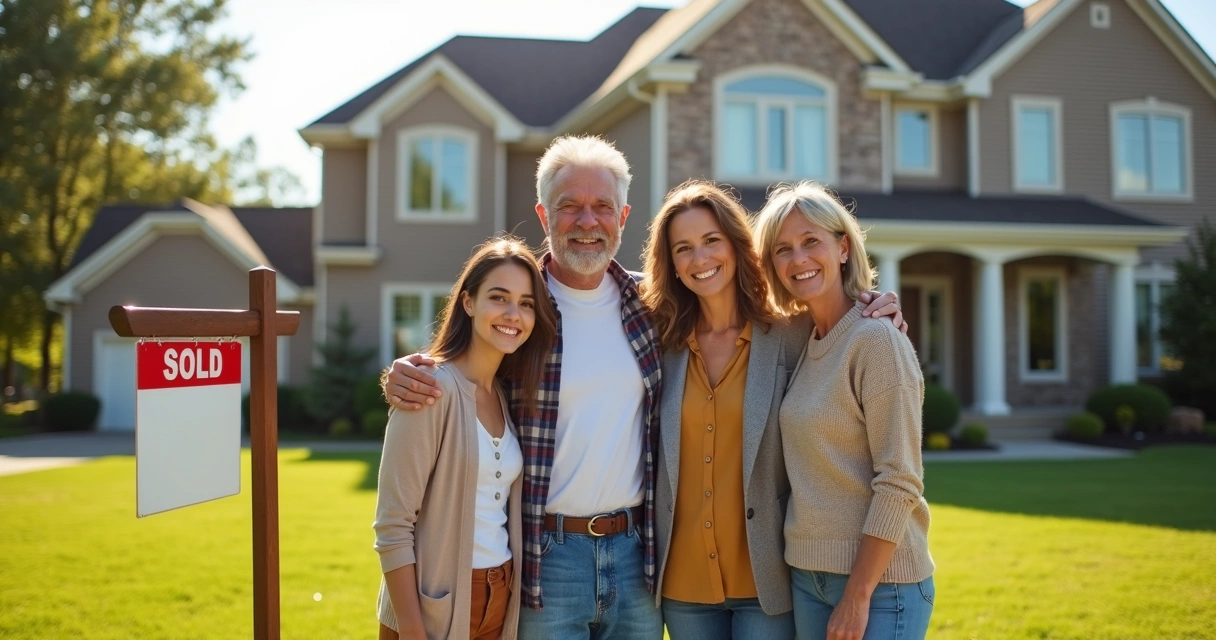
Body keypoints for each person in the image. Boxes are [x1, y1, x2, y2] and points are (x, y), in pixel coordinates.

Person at [383, 137, 902, 639]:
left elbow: (803, 311)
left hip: (638, 556)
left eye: (603, 207)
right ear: (544, 216)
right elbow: (467, 360)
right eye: (570, 207)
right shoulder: (522, 309)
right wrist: (409, 371)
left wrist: (868, 306)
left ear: (623, 218)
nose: (588, 222)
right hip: (549, 556)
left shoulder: (652, 308)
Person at [641, 181, 905, 640]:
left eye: (711, 241)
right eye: (683, 248)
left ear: (737, 247)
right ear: (673, 265)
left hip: (767, 580)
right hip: (684, 584)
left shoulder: (790, 333)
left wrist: (881, 308)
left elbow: (843, 326)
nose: (700, 259)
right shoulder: (660, 344)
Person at [753, 182, 935, 640]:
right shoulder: (803, 339)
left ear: (843, 246)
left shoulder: (876, 340)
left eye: (811, 241)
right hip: (806, 576)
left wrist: (858, 595)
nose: (798, 259)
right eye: (783, 249)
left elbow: (900, 480)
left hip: (881, 585)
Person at [373, 236, 557, 640]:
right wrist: (412, 628)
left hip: (500, 596)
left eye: (526, 303)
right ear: (469, 303)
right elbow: (392, 526)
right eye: (499, 297)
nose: (513, 314)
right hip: (433, 604)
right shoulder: (430, 389)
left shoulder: (506, 396)